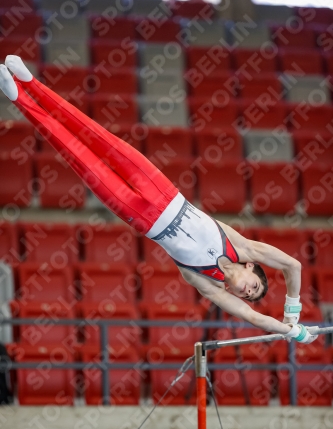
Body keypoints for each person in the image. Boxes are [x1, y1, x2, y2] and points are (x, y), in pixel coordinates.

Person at [0, 56, 317, 345]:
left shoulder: (208, 285)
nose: (250, 292)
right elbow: (293, 265)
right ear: (251, 266)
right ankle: (31, 83)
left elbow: (252, 317)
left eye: (250, 294)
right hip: (161, 190)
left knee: (76, 154)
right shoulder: (243, 246)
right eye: (256, 285)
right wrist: (293, 310)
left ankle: (19, 99)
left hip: (140, 217)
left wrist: (290, 330)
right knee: (94, 133)